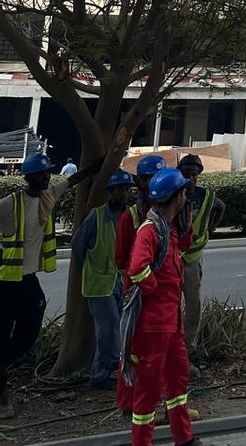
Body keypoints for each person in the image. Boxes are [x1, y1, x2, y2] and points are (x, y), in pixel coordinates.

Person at [0, 152, 98, 418]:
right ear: (28, 177)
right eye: (41, 174)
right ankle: (2, 396)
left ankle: (2, 362)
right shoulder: (10, 204)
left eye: (47, 172)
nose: (46, 177)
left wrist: (96, 166)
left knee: (31, 326)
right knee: (3, 333)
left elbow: (72, 181)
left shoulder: (48, 196)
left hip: (27, 278)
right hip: (6, 282)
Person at [120, 168, 195, 446]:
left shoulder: (169, 229)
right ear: (177, 197)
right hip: (152, 327)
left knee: (178, 385)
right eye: (184, 191)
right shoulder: (150, 230)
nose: (186, 196)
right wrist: (155, 290)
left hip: (171, 324)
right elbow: (137, 269)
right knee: (147, 393)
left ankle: (184, 438)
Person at [71, 170, 133, 389]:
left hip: (121, 281)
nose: (122, 194)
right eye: (118, 190)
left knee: (117, 327)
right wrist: (91, 268)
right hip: (99, 283)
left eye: (125, 189)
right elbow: (78, 246)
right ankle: (103, 374)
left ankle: (103, 373)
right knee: (109, 328)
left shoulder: (132, 215)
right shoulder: (96, 217)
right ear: (110, 192)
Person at [176, 154, 226, 363]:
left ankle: (188, 350)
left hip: (192, 259)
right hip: (173, 258)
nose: (191, 178)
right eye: (186, 174)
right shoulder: (174, 194)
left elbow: (221, 207)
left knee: (193, 306)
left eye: (194, 175)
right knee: (171, 307)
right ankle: (173, 348)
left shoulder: (205, 197)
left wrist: (211, 229)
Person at [115, 155, 166, 278]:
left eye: (162, 178)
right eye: (154, 178)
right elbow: (121, 261)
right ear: (142, 182)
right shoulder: (129, 218)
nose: (159, 183)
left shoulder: (170, 212)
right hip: (143, 286)